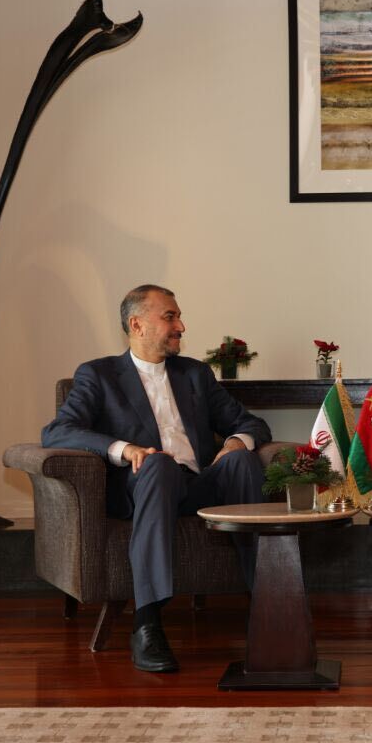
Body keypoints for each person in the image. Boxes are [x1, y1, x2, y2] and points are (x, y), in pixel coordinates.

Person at [42, 284, 271, 673]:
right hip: (146, 487)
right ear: (137, 324)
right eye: (170, 317)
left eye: (179, 317)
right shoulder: (99, 375)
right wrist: (124, 448)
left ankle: (269, 609)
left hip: (199, 486)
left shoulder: (195, 374)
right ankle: (147, 624)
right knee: (159, 465)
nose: (181, 325)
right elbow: (57, 431)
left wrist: (235, 441)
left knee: (244, 462)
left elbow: (251, 423)